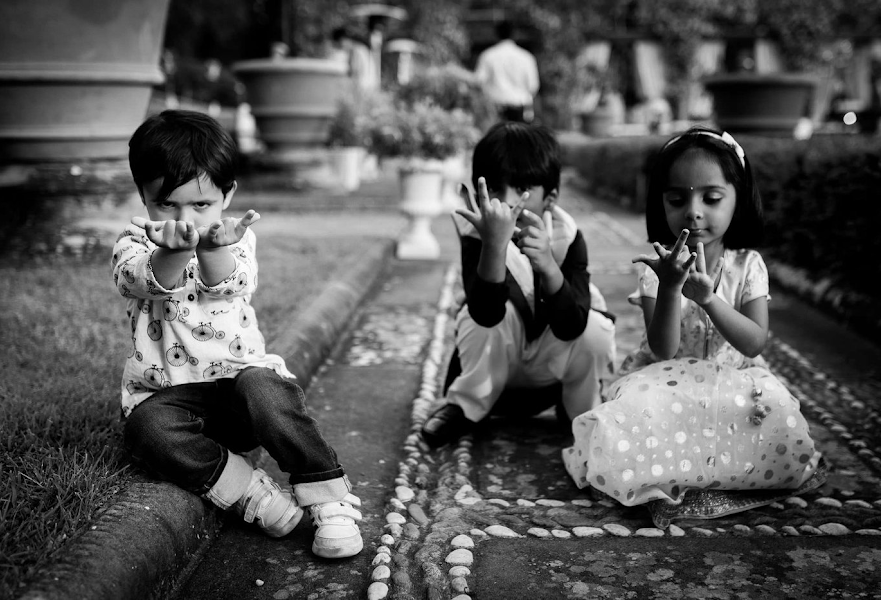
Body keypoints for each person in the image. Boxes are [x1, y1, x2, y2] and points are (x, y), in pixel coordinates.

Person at [113, 110, 363, 558]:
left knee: (269, 390)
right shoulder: (134, 240)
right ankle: (249, 492)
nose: (185, 219)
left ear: (227, 194)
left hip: (240, 391)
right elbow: (141, 281)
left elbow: (228, 284)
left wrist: (212, 249)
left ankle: (328, 497)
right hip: (171, 398)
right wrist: (172, 253)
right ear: (143, 196)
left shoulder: (235, 239)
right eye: (167, 204)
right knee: (145, 429)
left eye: (200, 204)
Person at [562, 127, 825, 528]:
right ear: (660, 203)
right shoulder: (657, 271)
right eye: (677, 199)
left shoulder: (747, 265)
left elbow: (753, 341)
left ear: (738, 197)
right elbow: (664, 349)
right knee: (643, 411)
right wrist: (671, 287)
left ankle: (707, 464)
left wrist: (709, 299)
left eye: (712, 197)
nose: (694, 210)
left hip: (735, 378)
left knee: (772, 409)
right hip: (663, 381)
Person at [421, 121, 617, 448]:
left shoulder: (568, 238)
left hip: (551, 379)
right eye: (495, 189)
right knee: (473, 315)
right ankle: (466, 406)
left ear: (550, 198)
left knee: (595, 327)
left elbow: (572, 326)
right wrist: (494, 246)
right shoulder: (477, 235)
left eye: (522, 188)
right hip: (498, 381)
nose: (506, 202)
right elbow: (485, 313)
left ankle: (580, 412)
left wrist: (549, 268)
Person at [474, 19, 540, 123]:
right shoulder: (526, 57)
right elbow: (533, 87)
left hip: (495, 109)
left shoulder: (488, 55)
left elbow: (479, 81)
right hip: (519, 108)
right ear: (514, 34)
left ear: (496, 34)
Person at [329, 26, 378, 94]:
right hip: (366, 89)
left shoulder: (357, 51)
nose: (340, 48)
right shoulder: (359, 49)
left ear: (343, 40)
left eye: (338, 45)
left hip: (363, 90)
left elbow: (355, 74)